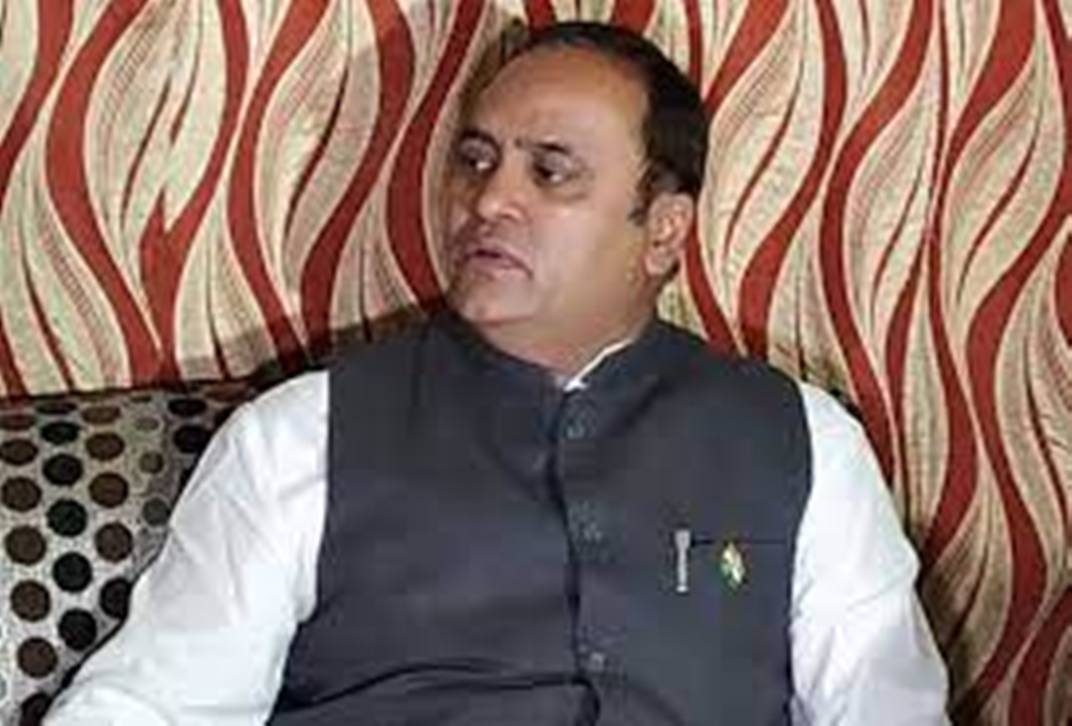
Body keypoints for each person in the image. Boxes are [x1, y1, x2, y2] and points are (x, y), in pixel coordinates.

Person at [47, 21, 948, 725]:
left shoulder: (803, 443)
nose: (489, 201)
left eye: (551, 173)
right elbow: (151, 706)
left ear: (664, 231)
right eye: (475, 161)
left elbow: (886, 710)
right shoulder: (299, 438)